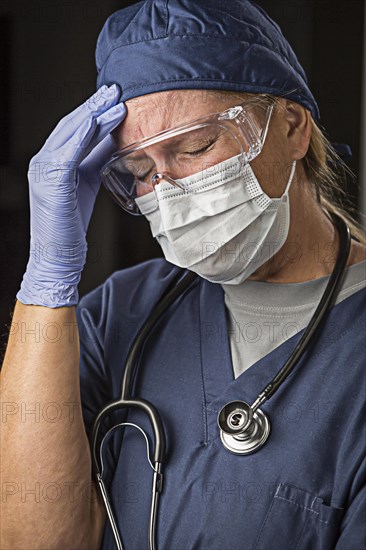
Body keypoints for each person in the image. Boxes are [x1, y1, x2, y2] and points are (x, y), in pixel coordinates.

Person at [1, 1, 365, 549]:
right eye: (140, 172)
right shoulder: (123, 309)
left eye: (195, 147)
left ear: (291, 128)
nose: (167, 191)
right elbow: (35, 538)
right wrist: (48, 282)